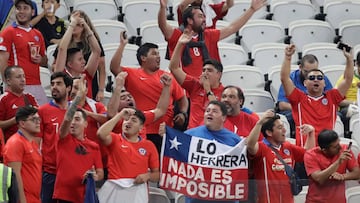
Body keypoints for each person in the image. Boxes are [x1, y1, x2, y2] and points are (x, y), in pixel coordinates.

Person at [110, 32, 188, 154]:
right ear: (143, 58)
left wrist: (183, 113)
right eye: (154, 54)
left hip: (166, 130)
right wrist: (122, 45)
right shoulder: (132, 74)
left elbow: (182, 99)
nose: (158, 57)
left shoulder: (168, 76)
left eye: (158, 54)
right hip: (142, 130)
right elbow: (114, 68)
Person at [158, 0, 266, 78]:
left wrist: (251, 10)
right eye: (200, 16)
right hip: (185, 91)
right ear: (190, 21)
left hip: (206, 89)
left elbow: (232, 28)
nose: (204, 19)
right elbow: (163, 26)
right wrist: (162, 8)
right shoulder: (177, 36)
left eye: (204, 16)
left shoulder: (208, 35)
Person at [280, 44, 354, 147]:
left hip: (327, 151)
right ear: (305, 83)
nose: (316, 79)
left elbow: (348, 80)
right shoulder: (298, 98)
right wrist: (288, 57)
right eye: (312, 78)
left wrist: (350, 59)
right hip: (305, 151)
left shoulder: (332, 97)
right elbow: (284, 78)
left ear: (324, 83)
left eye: (320, 78)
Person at [246, 109, 316, 203]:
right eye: (279, 128)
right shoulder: (262, 148)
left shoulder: (288, 146)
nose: (284, 130)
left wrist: (311, 133)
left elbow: (308, 154)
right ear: (269, 133)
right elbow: (250, 145)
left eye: (283, 126)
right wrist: (259, 123)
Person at [53, 76, 103, 203]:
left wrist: (94, 176)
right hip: (64, 197)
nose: (73, 123)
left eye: (78, 119)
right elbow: (66, 119)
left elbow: (100, 172)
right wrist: (78, 98)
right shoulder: (63, 139)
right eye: (72, 119)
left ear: (86, 124)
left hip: (84, 197)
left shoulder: (94, 146)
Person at [97, 107, 159, 202]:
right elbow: (101, 134)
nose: (128, 122)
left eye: (133, 120)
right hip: (114, 188)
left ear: (141, 128)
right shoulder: (115, 139)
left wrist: (148, 176)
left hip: (137, 190)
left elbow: (157, 175)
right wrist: (120, 115)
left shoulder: (149, 146)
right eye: (126, 120)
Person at [168, 29, 224, 128]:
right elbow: (174, 68)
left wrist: (208, 90)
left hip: (211, 137)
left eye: (209, 70)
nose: (205, 73)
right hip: (193, 135)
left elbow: (218, 111)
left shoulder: (225, 93)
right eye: (203, 70)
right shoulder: (195, 85)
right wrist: (180, 44)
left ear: (219, 75)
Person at [0, 0, 48, 105]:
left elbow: (45, 60)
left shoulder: (37, 34)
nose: (21, 11)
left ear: (33, 11)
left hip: (36, 84)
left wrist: (40, 59)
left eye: (25, 8)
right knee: (19, 119)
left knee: (40, 117)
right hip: (17, 86)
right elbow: (2, 60)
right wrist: (8, 85)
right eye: (18, 8)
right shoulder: (8, 32)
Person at [53, 10, 106, 102]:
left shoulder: (86, 74)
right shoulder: (62, 75)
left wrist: (86, 26)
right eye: (80, 59)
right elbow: (62, 49)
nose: (84, 61)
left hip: (85, 112)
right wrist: (72, 24)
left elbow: (97, 51)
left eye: (78, 24)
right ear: (69, 63)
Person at [277, 54, 333, 138]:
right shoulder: (291, 79)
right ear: (300, 67)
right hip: (295, 111)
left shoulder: (321, 78)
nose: (310, 75)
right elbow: (282, 105)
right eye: (307, 71)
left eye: (314, 70)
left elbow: (331, 100)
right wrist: (305, 109)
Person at [37, 72, 73, 203]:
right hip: (50, 171)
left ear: (68, 88)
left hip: (71, 171)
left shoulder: (77, 112)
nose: (54, 87)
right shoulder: (43, 111)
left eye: (58, 84)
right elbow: (36, 143)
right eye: (52, 84)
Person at [304, 129, 360, 202]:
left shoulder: (345, 150)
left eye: (339, 143)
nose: (339, 148)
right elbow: (319, 179)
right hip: (316, 201)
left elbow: (357, 174)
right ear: (324, 150)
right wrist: (338, 162)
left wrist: (342, 176)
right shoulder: (310, 155)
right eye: (335, 146)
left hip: (339, 200)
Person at [3, 105, 42, 203]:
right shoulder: (16, 142)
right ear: (22, 123)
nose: (38, 122)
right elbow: (15, 176)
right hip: (24, 198)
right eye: (34, 119)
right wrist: (22, 200)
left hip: (35, 197)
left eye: (38, 119)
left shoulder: (33, 142)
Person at [0, 66, 38, 142]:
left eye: (24, 76)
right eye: (18, 77)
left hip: (29, 143)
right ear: (8, 81)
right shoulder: (3, 99)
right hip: (10, 144)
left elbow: (38, 119)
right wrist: (15, 120)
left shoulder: (30, 97)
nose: (23, 80)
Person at [69, 76, 107, 144]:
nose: (73, 91)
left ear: (86, 90)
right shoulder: (66, 106)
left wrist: (89, 114)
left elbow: (107, 119)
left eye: (77, 88)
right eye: (71, 88)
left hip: (94, 148)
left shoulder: (96, 106)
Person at [335, 51, 360, 137]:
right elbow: (338, 100)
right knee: (350, 111)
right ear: (357, 64)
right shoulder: (347, 78)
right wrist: (355, 103)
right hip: (350, 106)